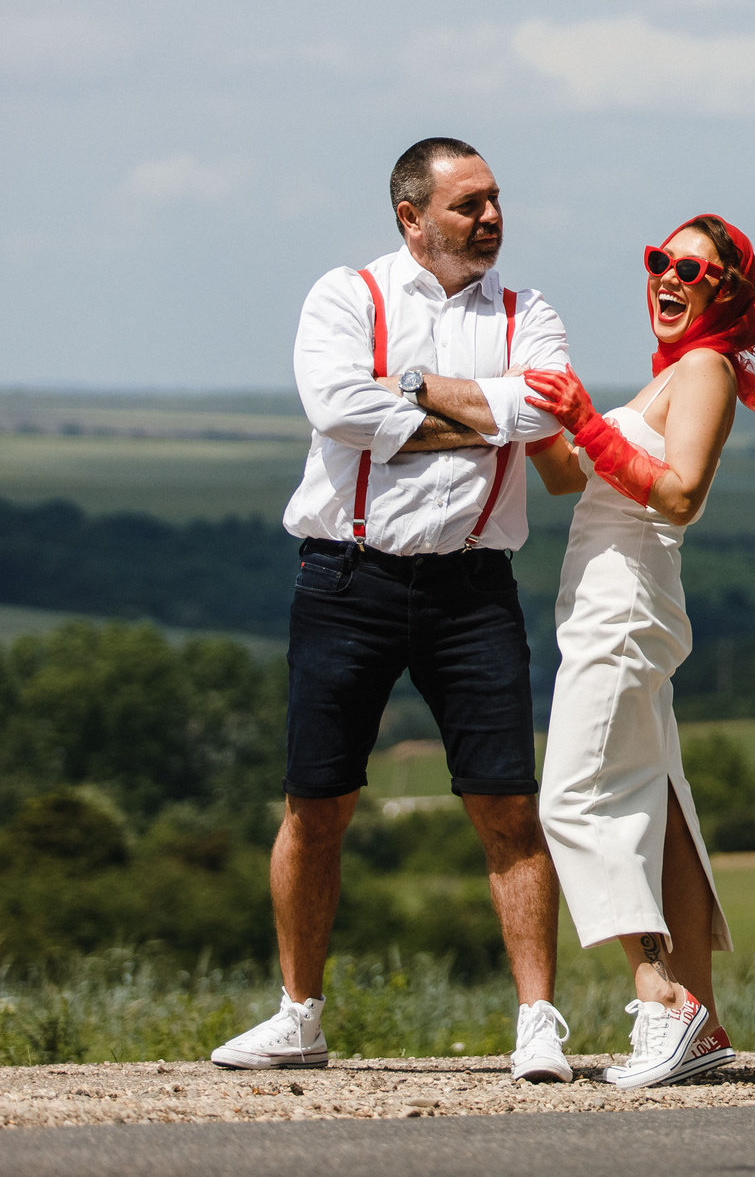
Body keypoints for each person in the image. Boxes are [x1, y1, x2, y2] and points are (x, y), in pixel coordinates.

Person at [212, 137, 576, 1082]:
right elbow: (337, 407)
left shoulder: (526, 308)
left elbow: (545, 411)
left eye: (495, 200)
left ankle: (538, 1018)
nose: (491, 218)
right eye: (468, 205)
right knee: (316, 800)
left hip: (472, 586)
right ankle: (298, 1014)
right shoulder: (346, 295)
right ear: (410, 218)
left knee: (506, 802)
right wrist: (477, 416)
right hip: (348, 578)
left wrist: (410, 390)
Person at [525, 212, 755, 1088]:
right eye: (660, 260)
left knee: (574, 797)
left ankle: (662, 999)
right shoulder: (670, 375)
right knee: (658, 801)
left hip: (624, 602)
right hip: (614, 600)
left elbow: (681, 493)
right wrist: (531, 403)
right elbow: (562, 474)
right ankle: (701, 1023)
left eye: (693, 270)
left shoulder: (706, 368)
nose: (669, 277)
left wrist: (588, 421)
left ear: (726, 291)